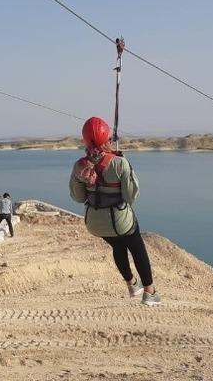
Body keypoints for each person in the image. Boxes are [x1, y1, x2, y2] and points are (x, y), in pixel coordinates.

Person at [69, 117, 160, 306]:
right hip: (120, 220)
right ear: (107, 138)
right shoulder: (119, 163)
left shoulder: (79, 166)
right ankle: (150, 293)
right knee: (136, 247)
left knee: (118, 246)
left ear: (85, 139)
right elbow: (131, 196)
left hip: (94, 223)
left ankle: (132, 284)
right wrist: (124, 164)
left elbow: (78, 197)